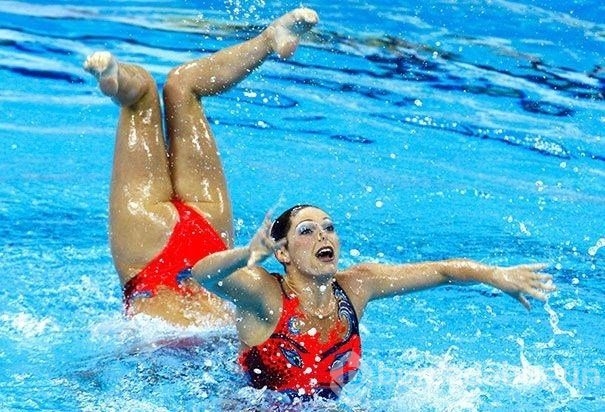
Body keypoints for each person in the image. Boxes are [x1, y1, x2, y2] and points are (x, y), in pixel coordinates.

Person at [85, 7, 555, 401]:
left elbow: (441, 271)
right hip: (156, 264)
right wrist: (249, 254)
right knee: (142, 99)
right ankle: (113, 78)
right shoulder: (262, 292)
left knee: (183, 88)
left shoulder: (354, 288)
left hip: (212, 239)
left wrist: (498, 276)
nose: (323, 235)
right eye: (308, 230)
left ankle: (270, 39)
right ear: (284, 252)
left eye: (328, 227)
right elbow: (201, 274)